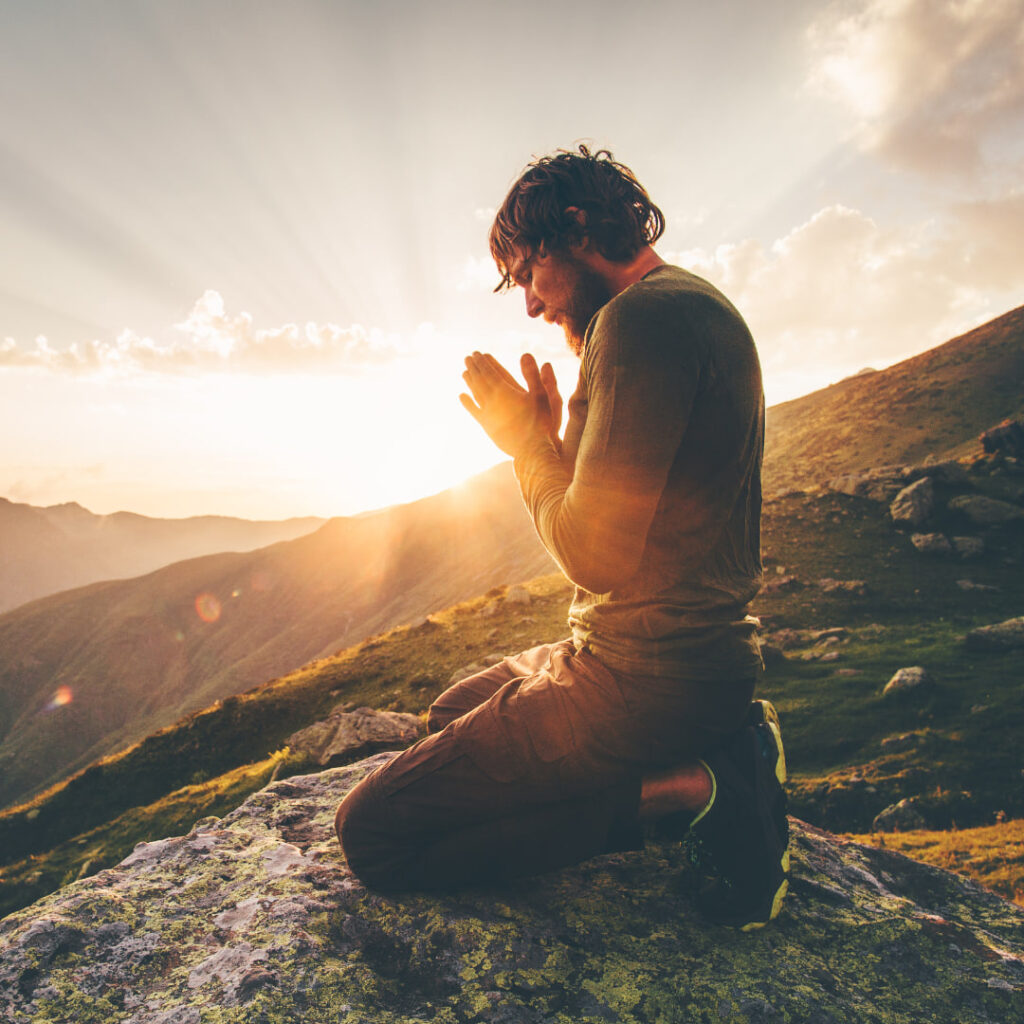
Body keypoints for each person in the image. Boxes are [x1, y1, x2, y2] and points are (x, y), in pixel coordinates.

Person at [335, 145, 789, 929]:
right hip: (677, 662)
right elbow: (639, 505)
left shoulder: (641, 320)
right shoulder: (684, 304)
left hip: (645, 680)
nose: (531, 307)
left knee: (373, 836)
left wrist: (527, 448)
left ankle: (704, 787)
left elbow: (596, 556)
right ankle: (709, 751)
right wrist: (557, 438)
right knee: (451, 717)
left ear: (574, 228)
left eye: (525, 274)